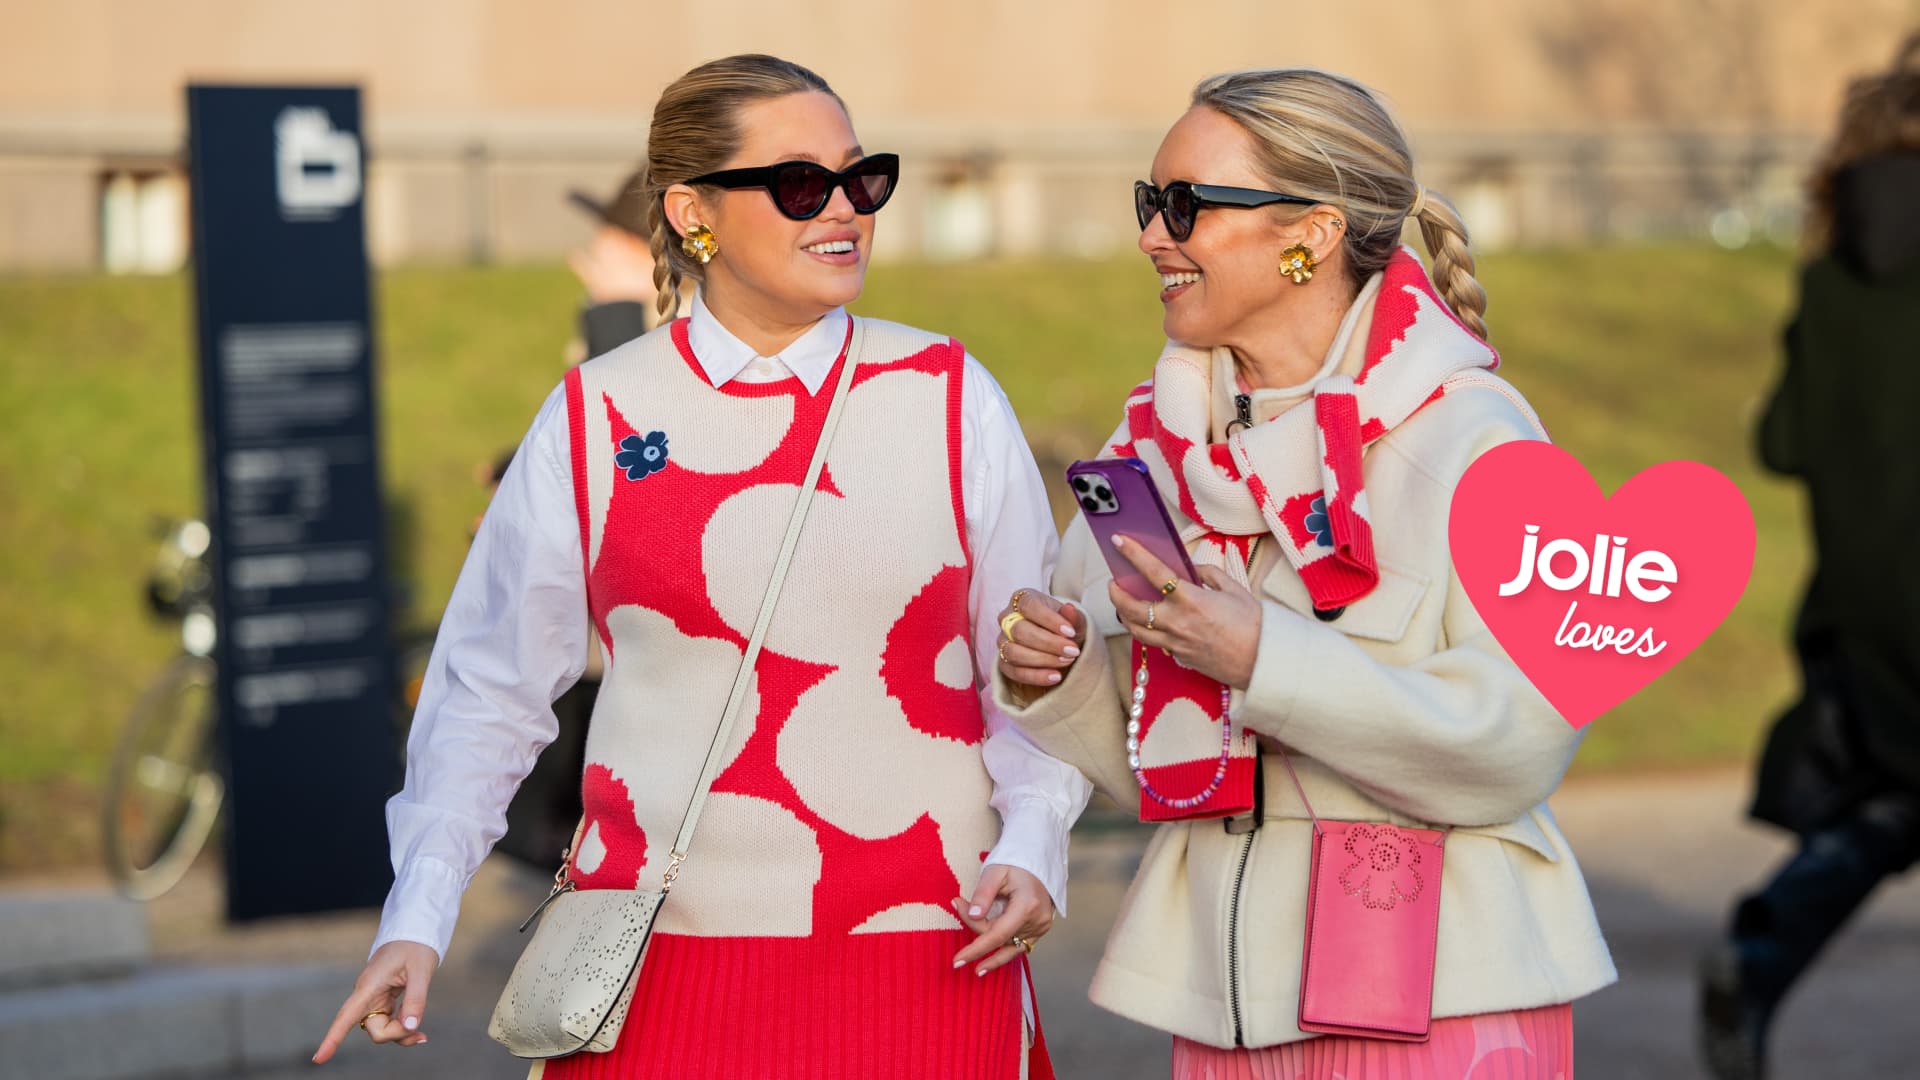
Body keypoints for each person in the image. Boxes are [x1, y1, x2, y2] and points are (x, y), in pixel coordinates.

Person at [312, 53, 1089, 1078]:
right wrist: (416, 916)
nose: (845, 210)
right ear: (692, 212)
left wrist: (1033, 841)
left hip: (930, 952)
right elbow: (487, 690)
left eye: (863, 178)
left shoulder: (952, 397)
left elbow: (1035, 669)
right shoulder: (595, 417)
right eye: (803, 184)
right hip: (654, 973)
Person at [994, 68, 1615, 1078]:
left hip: (1443, 1006)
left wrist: (1264, 659)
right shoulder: (1150, 448)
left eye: (1186, 205)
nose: (1154, 234)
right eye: (1149, 203)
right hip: (1223, 1013)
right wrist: (1059, 680)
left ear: (1311, 234)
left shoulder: (1480, 443)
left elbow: (1521, 746)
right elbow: (1158, 767)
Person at [1698, 33, 1920, 1080]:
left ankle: (1761, 949)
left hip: (1867, 607)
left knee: (1888, 803)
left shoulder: (1833, 286)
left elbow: (1782, 440)